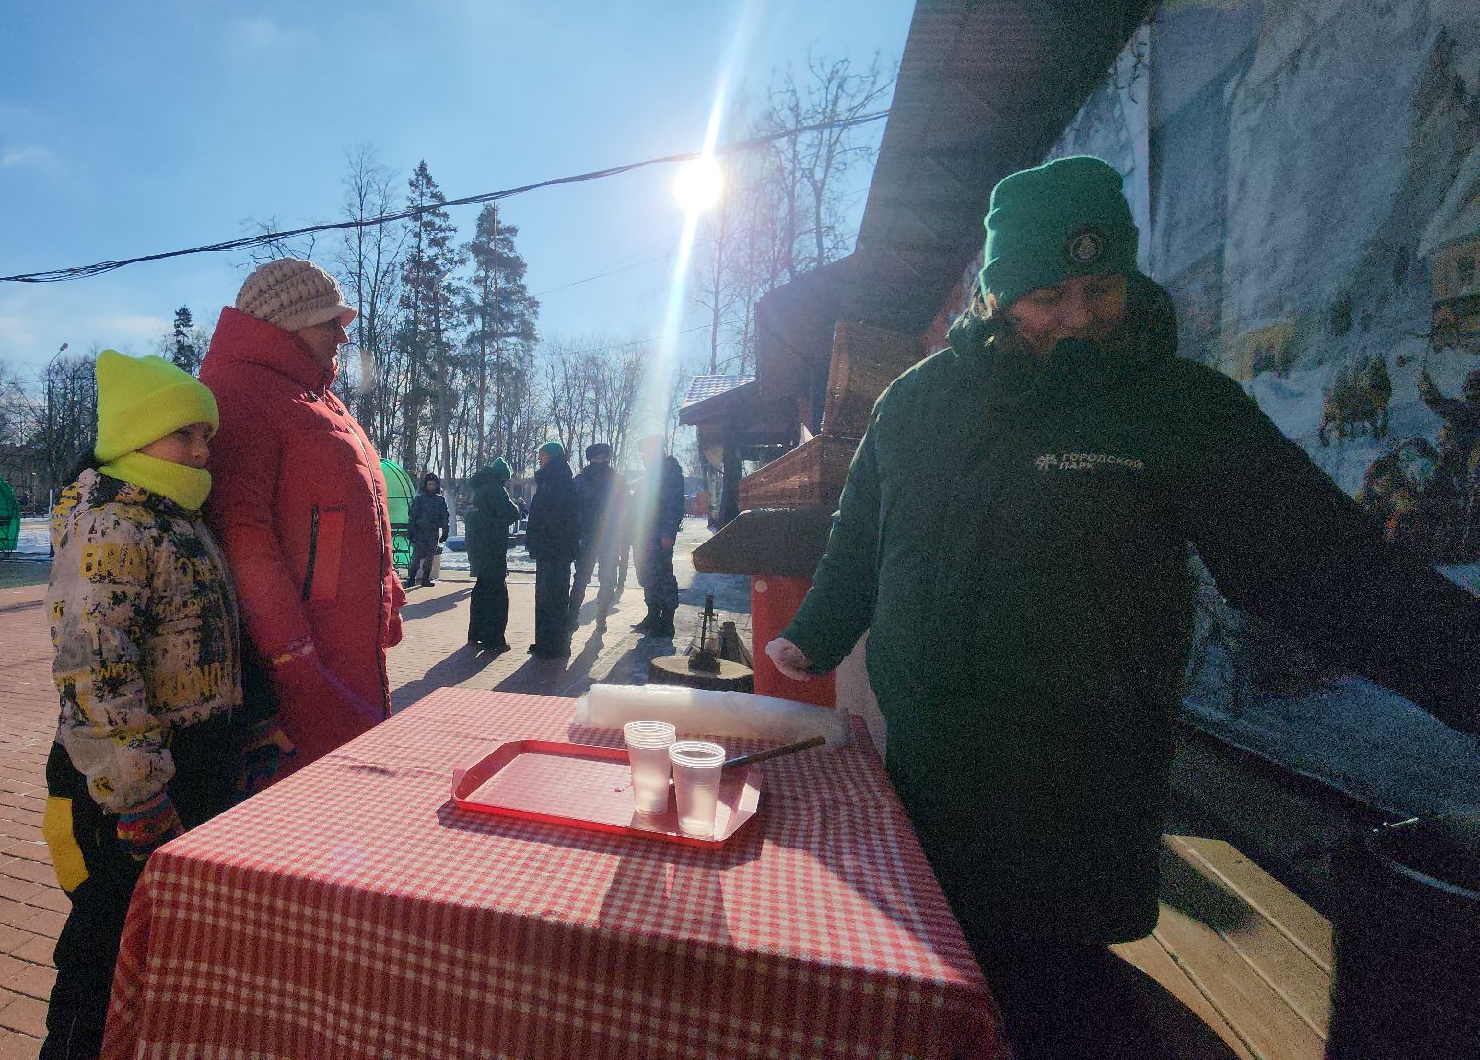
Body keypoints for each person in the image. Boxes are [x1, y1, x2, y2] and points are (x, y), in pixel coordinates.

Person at [763, 155, 1480, 1058]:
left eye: (1098, 286)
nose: (1078, 317)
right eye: (1047, 294)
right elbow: (862, 533)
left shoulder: (1172, 408)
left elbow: (1321, 565)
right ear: (995, 294)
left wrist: (1465, 669)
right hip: (928, 766)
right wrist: (814, 633)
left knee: (1053, 990)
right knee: (941, 974)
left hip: (1077, 778)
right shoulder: (917, 404)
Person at [40, 351, 290, 1060]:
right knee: (104, 951)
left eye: (205, 436)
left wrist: (256, 724)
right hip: (122, 787)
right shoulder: (111, 523)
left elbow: (221, 635)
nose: (203, 450)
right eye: (186, 434)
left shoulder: (180, 518)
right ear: (136, 434)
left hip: (193, 766)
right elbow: (96, 669)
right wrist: (138, 794)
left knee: (169, 951)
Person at [200, 257, 406, 771]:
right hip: (299, 664)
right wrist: (294, 657)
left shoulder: (317, 398)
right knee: (303, 813)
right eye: (329, 321)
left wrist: (389, 595)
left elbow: (360, 511)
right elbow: (243, 539)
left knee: (347, 795)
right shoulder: (243, 394)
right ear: (287, 323)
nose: (342, 335)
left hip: (345, 647)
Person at [523, 442, 581, 657]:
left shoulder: (559, 481)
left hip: (555, 548)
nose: (540, 459)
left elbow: (557, 518)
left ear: (553, 457)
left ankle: (555, 645)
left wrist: (542, 539)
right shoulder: (551, 479)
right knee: (545, 597)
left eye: (543, 455)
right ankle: (545, 642)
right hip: (548, 548)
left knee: (554, 598)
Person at [630, 436, 686, 637]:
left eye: (645, 453)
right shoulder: (651, 474)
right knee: (647, 574)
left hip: (658, 534)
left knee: (662, 574)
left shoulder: (670, 471)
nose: (643, 457)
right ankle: (653, 615)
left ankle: (667, 620)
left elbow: (674, 505)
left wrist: (668, 531)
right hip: (644, 534)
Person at [570, 443, 628, 624]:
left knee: (581, 577)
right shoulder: (618, 481)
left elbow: (572, 509)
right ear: (606, 457)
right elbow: (623, 510)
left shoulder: (580, 481)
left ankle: (571, 616)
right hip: (609, 536)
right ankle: (601, 617)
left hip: (586, 535)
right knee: (607, 577)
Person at [465, 457, 518, 651]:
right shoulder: (496, 489)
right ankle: (494, 639)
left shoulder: (478, 489)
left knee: (481, 590)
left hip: (477, 548)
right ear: (502, 477)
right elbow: (511, 513)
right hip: (492, 547)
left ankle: (475, 633)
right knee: (497, 595)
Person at [407, 472, 448, 587]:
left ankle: (426, 579)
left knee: (430, 557)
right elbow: (412, 516)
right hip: (420, 532)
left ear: (437, 485)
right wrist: (410, 531)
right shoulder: (419, 500)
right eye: (429, 484)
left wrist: (445, 531)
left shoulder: (440, 501)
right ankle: (411, 578)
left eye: (433, 484)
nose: (431, 487)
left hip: (433, 532)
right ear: (425, 485)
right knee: (416, 557)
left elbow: (445, 517)